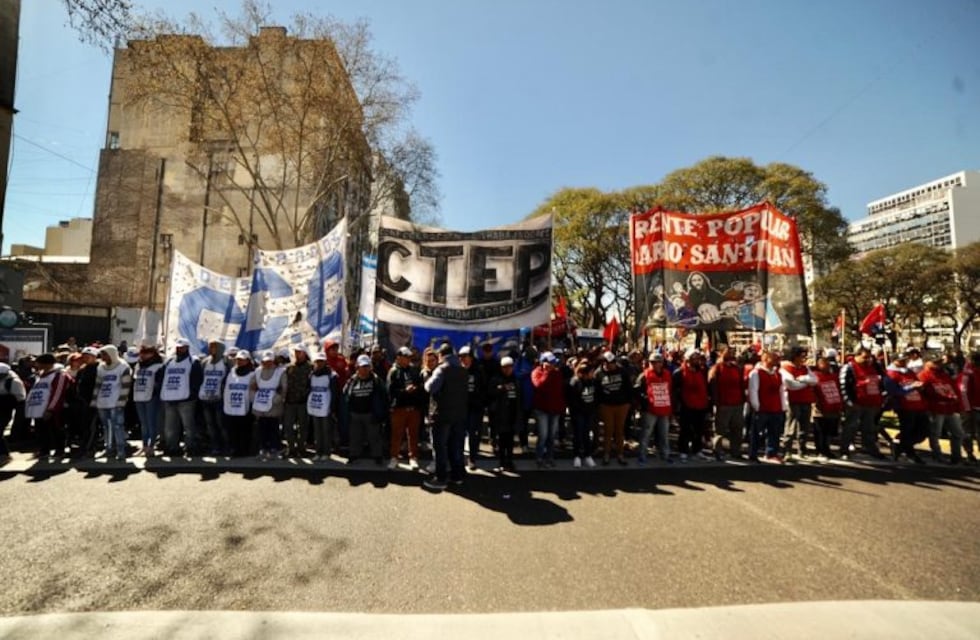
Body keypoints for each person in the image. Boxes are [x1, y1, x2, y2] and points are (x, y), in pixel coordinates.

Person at [423, 343, 468, 490]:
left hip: (441, 415)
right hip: (459, 414)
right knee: (455, 446)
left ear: (441, 355)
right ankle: (457, 476)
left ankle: (441, 478)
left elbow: (430, 387)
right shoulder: (462, 370)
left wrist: (427, 381)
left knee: (440, 447)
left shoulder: (441, 369)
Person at [839, 345, 885, 459]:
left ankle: (870, 448)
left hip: (871, 402)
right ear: (857, 356)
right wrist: (848, 401)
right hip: (856, 403)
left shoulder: (873, 367)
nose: (868, 360)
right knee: (850, 427)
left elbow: (881, 382)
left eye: (869, 357)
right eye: (865, 357)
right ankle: (844, 449)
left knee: (869, 428)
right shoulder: (849, 368)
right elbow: (843, 386)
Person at [918, 355, 966, 464]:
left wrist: (957, 404)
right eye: (935, 362)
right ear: (927, 363)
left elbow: (953, 389)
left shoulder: (944, 375)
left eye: (939, 362)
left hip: (950, 408)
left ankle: (956, 456)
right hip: (935, 408)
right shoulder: (923, 376)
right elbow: (920, 393)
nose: (938, 364)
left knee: (958, 433)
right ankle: (937, 455)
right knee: (935, 433)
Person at [160, 338, 204, 456]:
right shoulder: (169, 362)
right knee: (170, 427)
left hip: (186, 399)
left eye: (182, 347)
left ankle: (191, 447)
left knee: (188, 426)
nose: (179, 349)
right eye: (178, 347)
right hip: (170, 398)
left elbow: (197, 379)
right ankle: (172, 448)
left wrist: (192, 394)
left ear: (187, 348)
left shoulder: (193, 361)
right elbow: (161, 377)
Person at [884, 350, 928, 464]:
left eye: (905, 360)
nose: (904, 362)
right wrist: (911, 387)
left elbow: (917, 382)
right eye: (901, 361)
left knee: (922, 431)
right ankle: (909, 452)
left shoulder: (909, 372)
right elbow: (895, 391)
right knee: (908, 430)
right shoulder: (890, 374)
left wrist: (920, 387)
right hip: (904, 406)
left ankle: (899, 445)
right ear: (894, 361)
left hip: (918, 404)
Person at [24, 353, 72, 459]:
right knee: (41, 430)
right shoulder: (40, 375)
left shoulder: (59, 375)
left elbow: (58, 393)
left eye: (39, 362)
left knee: (56, 430)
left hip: (53, 409)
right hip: (38, 408)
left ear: (47, 364)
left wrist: (51, 409)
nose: (36, 364)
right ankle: (44, 450)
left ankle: (60, 451)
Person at [343, 354, 387, 465]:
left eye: (367, 366)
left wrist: (381, 413)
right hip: (355, 413)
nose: (364, 369)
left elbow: (384, 396)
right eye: (362, 366)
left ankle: (377, 456)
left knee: (374, 436)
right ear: (357, 367)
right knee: (355, 436)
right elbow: (345, 393)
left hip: (371, 414)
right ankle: (353, 455)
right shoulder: (352, 380)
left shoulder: (376, 380)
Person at [93, 345, 133, 460]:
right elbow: (98, 384)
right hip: (102, 401)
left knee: (117, 426)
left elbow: (126, 386)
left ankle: (121, 450)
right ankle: (109, 448)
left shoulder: (123, 366)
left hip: (116, 402)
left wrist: (122, 401)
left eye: (105, 354)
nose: (103, 357)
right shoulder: (101, 367)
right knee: (106, 427)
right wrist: (94, 400)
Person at [387, 346, 424, 470]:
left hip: (413, 408)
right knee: (396, 434)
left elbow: (420, 385)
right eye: (405, 357)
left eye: (409, 357)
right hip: (399, 408)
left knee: (413, 435)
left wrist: (415, 389)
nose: (408, 359)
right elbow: (390, 391)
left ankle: (413, 458)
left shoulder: (414, 370)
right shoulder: (393, 371)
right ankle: (394, 457)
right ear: (398, 357)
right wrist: (404, 391)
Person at [708, 344, 746, 459]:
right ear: (721, 353)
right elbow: (712, 385)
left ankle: (735, 450)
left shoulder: (737, 368)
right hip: (723, 404)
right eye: (728, 351)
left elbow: (741, 385)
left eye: (733, 351)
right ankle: (717, 451)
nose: (731, 353)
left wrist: (742, 400)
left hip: (737, 404)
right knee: (720, 430)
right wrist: (716, 402)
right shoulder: (717, 368)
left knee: (737, 428)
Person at [673, 349, 711, 462]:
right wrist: (677, 407)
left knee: (699, 430)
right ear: (688, 359)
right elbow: (674, 391)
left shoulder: (703, 371)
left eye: (698, 358)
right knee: (685, 430)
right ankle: (683, 451)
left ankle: (697, 450)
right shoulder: (679, 373)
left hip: (701, 405)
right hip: (686, 406)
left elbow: (706, 388)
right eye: (694, 358)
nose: (697, 360)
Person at [747, 350, 786, 463]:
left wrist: (783, 406)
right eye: (772, 358)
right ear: (765, 359)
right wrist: (756, 406)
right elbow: (753, 390)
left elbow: (781, 391)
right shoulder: (756, 373)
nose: (775, 361)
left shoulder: (777, 374)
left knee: (774, 432)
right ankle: (753, 453)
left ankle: (771, 453)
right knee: (757, 432)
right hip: (762, 408)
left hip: (775, 408)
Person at [780, 346, 818, 458]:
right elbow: (791, 385)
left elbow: (815, 380)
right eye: (802, 356)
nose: (804, 358)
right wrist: (807, 382)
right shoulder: (785, 367)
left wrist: (803, 379)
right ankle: (787, 451)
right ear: (794, 356)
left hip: (806, 400)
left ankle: (802, 450)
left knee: (804, 428)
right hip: (792, 401)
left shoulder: (805, 368)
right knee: (791, 427)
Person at [636, 352, 672, 465]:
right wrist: (644, 401)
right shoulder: (644, 375)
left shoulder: (667, 374)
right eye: (653, 362)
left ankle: (665, 454)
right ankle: (642, 454)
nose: (656, 364)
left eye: (658, 362)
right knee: (646, 433)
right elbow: (637, 391)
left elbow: (670, 390)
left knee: (664, 433)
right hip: (650, 410)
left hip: (664, 408)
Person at [487, 355, 522, 472]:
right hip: (500, 415)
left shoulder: (516, 380)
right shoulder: (495, 379)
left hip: (512, 414)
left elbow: (519, 397)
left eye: (510, 367)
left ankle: (510, 461)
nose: (507, 369)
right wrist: (500, 388)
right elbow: (490, 394)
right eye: (505, 367)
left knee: (510, 441)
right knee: (502, 440)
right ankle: (502, 462)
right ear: (501, 368)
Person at [531, 351, 565, 468]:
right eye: (549, 363)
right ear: (543, 362)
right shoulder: (536, 372)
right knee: (543, 435)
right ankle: (539, 457)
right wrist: (546, 373)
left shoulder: (557, 373)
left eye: (553, 363)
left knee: (552, 435)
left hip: (555, 409)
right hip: (542, 409)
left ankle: (550, 457)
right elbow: (539, 385)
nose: (552, 365)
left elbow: (559, 390)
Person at [251, 350, 287, 460]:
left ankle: (274, 448)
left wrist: (276, 399)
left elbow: (283, 387)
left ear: (273, 361)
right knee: (262, 428)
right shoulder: (257, 371)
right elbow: (252, 386)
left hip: (274, 406)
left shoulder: (280, 372)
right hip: (260, 404)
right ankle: (263, 448)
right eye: (264, 361)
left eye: (269, 361)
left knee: (274, 428)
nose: (267, 363)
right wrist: (254, 399)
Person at [459, 345, 487, 469]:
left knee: (473, 434)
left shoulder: (479, 370)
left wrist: (480, 403)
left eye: (465, 356)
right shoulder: (458, 370)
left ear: (471, 357)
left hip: (475, 408)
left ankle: (472, 459)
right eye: (461, 357)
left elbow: (483, 388)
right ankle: (459, 458)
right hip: (461, 408)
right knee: (459, 433)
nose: (463, 359)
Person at [223, 350, 255, 457]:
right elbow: (227, 389)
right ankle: (234, 449)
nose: (240, 361)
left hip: (245, 407)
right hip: (231, 406)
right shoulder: (231, 372)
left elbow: (253, 392)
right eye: (238, 359)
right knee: (232, 430)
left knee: (245, 430)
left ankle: (244, 450)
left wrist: (251, 405)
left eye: (242, 360)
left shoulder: (252, 374)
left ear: (247, 361)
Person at [282, 345, 313, 458]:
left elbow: (312, 384)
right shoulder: (289, 367)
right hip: (290, 402)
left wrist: (306, 395)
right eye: (296, 352)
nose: (297, 354)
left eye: (299, 352)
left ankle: (301, 448)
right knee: (288, 426)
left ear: (304, 353)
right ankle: (291, 448)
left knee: (303, 427)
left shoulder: (311, 367)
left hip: (303, 402)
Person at [309, 352, 339, 462]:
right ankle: (318, 452)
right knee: (317, 431)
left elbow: (335, 393)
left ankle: (326, 452)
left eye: (321, 361)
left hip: (326, 406)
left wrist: (333, 407)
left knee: (326, 430)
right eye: (317, 361)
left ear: (325, 362)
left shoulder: (332, 375)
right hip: (315, 406)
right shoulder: (312, 374)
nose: (319, 363)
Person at [568, 360, 598, 468]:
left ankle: (587, 455)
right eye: (591, 372)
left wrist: (593, 408)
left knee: (586, 434)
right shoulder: (575, 382)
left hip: (589, 412)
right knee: (578, 434)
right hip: (578, 413)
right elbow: (571, 399)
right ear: (584, 373)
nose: (592, 374)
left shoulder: (593, 382)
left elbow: (596, 396)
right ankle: (576, 456)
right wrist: (577, 410)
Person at [811, 355, 843, 459]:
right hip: (820, 409)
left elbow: (838, 389)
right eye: (823, 363)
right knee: (820, 431)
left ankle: (827, 449)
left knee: (829, 432)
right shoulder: (814, 376)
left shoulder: (833, 376)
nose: (826, 365)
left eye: (827, 363)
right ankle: (819, 450)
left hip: (833, 407)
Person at [0, 363, 27, 465]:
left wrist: (19, 417)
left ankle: (4, 454)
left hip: (5, 409)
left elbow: (20, 399)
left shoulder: (13, 382)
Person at [956, 352, 980, 465]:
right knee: (968, 432)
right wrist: (967, 409)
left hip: (976, 407)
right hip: (970, 409)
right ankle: (969, 454)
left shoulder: (976, 372)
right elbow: (963, 391)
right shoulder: (967, 374)